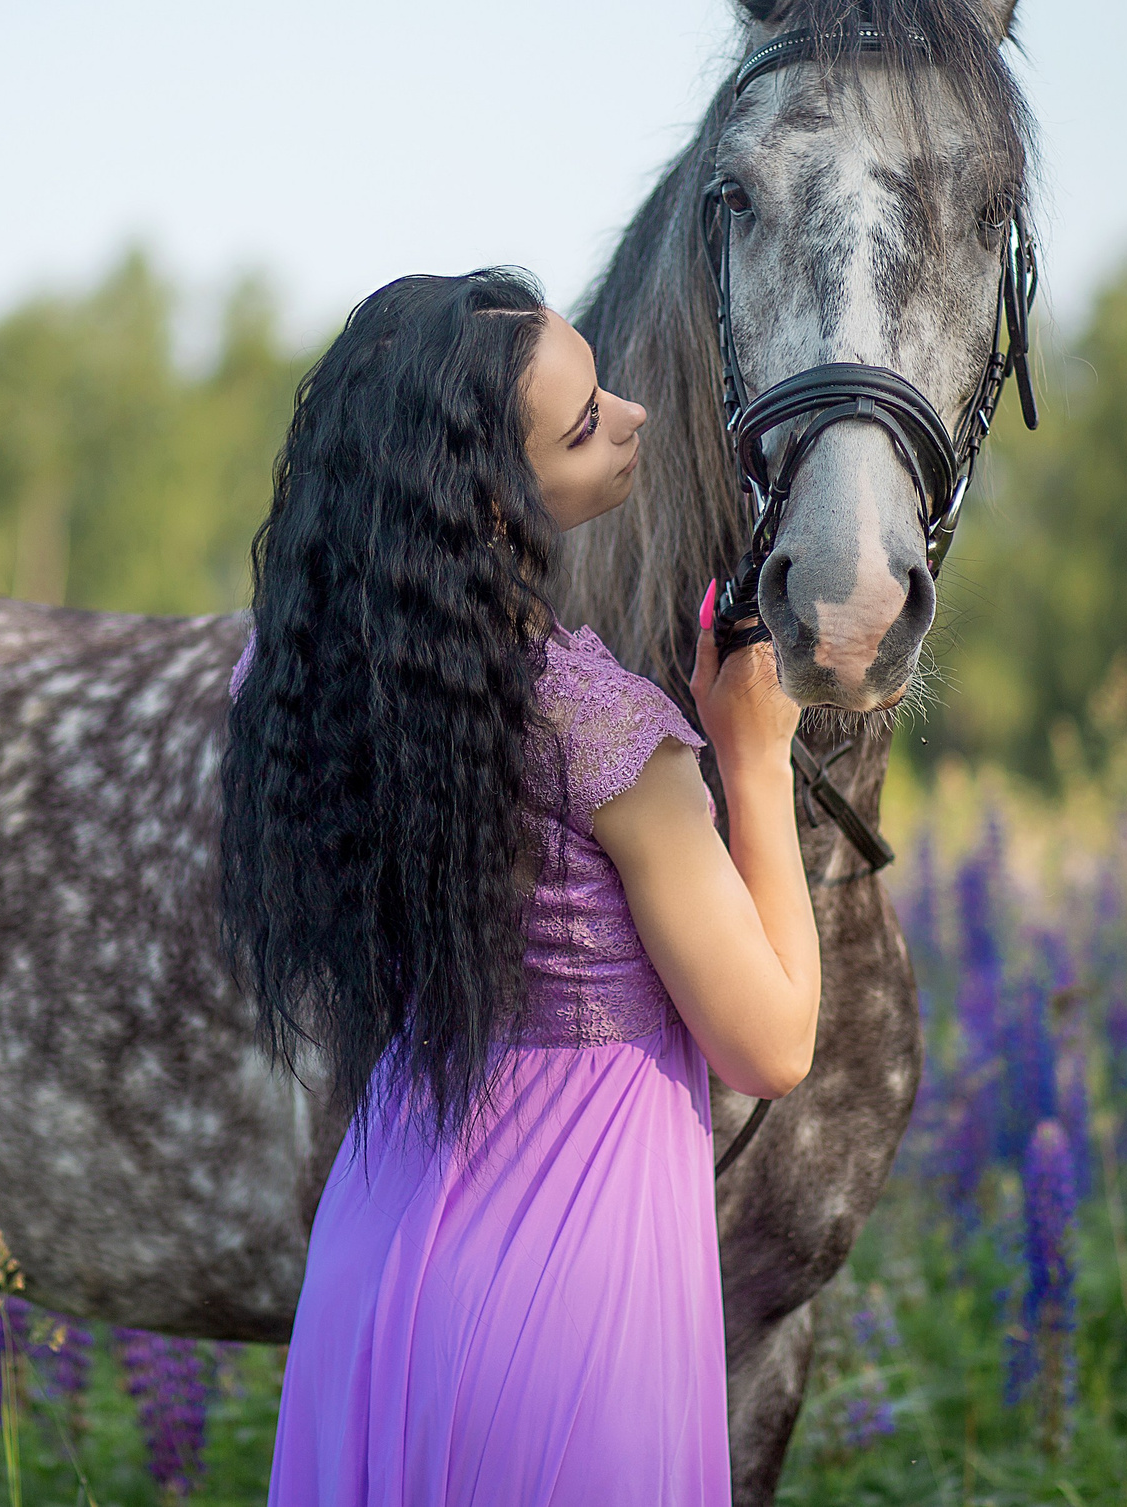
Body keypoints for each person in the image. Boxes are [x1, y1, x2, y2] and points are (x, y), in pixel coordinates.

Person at [221, 266, 824, 1505]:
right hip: (576, 1288)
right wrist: (753, 755)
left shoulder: (313, 693)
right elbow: (770, 1046)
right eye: (588, 416)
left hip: (382, 1257)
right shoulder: (599, 728)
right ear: (490, 506)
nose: (636, 416)